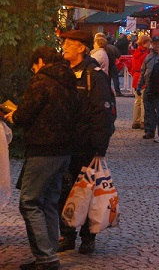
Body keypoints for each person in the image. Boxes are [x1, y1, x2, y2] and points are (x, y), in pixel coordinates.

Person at [3, 46, 78, 270]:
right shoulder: (68, 80)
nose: (33, 70)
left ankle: (46, 258)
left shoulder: (41, 81)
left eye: (34, 65)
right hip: (64, 150)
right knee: (49, 202)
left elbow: (25, 114)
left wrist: (13, 115)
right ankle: (49, 252)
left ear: (41, 61)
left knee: (30, 202)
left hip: (43, 149)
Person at [57, 29, 115, 255]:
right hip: (66, 143)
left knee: (88, 192)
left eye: (69, 43)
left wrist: (99, 147)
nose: (64, 47)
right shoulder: (64, 72)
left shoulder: (94, 74)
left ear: (81, 48)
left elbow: (103, 113)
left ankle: (88, 238)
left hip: (87, 145)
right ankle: (67, 234)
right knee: (65, 190)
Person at [138, 36, 159, 139]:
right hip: (149, 86)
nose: (156, 45)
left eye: (158, 43)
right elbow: (143, 72)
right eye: (155, 43)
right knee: (148, 110)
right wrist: (139, 85)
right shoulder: (149, 57)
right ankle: (149, 130)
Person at [130, 34, 152, 130]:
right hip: (142, 78)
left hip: (136, 77)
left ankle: (135, 121)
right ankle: (143, 121)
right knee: (144, 101)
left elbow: (132, 67)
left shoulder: (136, 53)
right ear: (144, 43)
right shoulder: (146, 54)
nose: (150, 44)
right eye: (148, 42)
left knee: (137, 101)